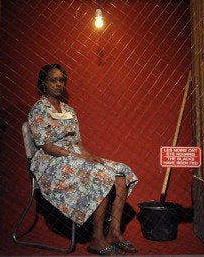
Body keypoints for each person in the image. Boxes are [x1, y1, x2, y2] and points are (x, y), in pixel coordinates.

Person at [27, 63, 139, 255]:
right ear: (44, 83)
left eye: (62, 80)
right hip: (51, 160)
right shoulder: (38, 110)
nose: (59, 84)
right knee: (102, 175)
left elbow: (77, 142)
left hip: (74, 156)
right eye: (53, 80)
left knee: (121, 172)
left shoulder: (68, 110)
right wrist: (75, 156)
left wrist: (89, 156)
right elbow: (47, 146)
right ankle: (96, 239)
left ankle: (113, 233)